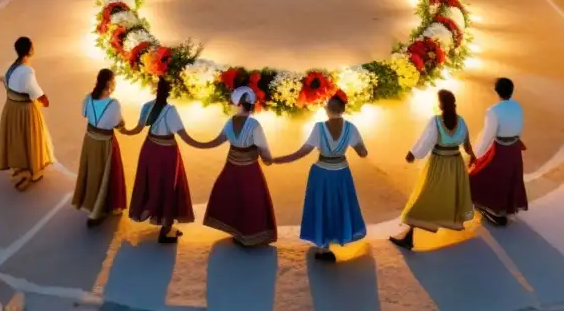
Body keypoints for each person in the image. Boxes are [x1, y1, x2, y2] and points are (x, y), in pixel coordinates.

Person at [272, 94, 368, 262]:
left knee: (322, 207)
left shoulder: (319, 128)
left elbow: (302, 152)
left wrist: (278, 160)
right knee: (339, 206)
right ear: (343, 110)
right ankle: (338, 237)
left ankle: (323, 246)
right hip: (341, 173)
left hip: (322, 173)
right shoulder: (351, 128)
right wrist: (358, 147)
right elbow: (362, 152)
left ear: (328, 110)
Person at [390, 90, 474, 250]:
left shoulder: (436, 121)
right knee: (449, 195)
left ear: (441, 104)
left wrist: (413, 154)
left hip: (439, 163)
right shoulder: (461, 121)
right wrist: (474, 156)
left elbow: (425, 141)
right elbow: (467, 145)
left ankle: (409, 236)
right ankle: (440, 224)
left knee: (425, 195)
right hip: (456, 164)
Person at [125, 78, 204, 243]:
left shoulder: (147, 107)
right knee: (168, 186)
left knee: (150, 183)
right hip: (167, 152)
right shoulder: (171, 111)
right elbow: (184, 136)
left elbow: (137, 129)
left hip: (149, 148)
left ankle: (150, 211)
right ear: (170, 92)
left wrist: (123, 129)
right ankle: (166, 228)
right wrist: (203, 145)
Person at [197, 86, 277, 247]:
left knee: (233, 197)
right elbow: (263, 148)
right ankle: (251, 235)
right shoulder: (254, 125)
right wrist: (268, 159)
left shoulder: (230, 122)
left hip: (232, 165)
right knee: (251, 199)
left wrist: (197, 143)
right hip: (249, 169)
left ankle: (237, 231)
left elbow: (217, 140)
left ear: (238, 104)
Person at [468, 78, 528, 226]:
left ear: (496, 91)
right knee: (509, 179)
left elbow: (487, 136)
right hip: (514, 149)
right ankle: (502, 208)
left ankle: (492, 210)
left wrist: (475, 155)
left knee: (481, 176)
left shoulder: (493, 111)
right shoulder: (517, 106)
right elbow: (519, 128)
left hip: (500, 150)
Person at [0, 37, 55, 192]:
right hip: (24, 109)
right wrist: (44, 100)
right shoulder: (27, 71)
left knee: (18, 137)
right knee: (31, 138)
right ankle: (34, 171)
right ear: (30, 50)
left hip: (11, 107)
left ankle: (19, 166)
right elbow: (35, 91)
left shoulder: (12, 67)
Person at [72, 68, 128, 226]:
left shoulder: (88, 98)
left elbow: (84, 114)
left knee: (91, 171)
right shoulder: (113, 103)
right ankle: (99, 209)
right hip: (105, 142)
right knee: (106, 174)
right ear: (109, 83)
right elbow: (118, 124)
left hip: (90, 140)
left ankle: (91, 204)